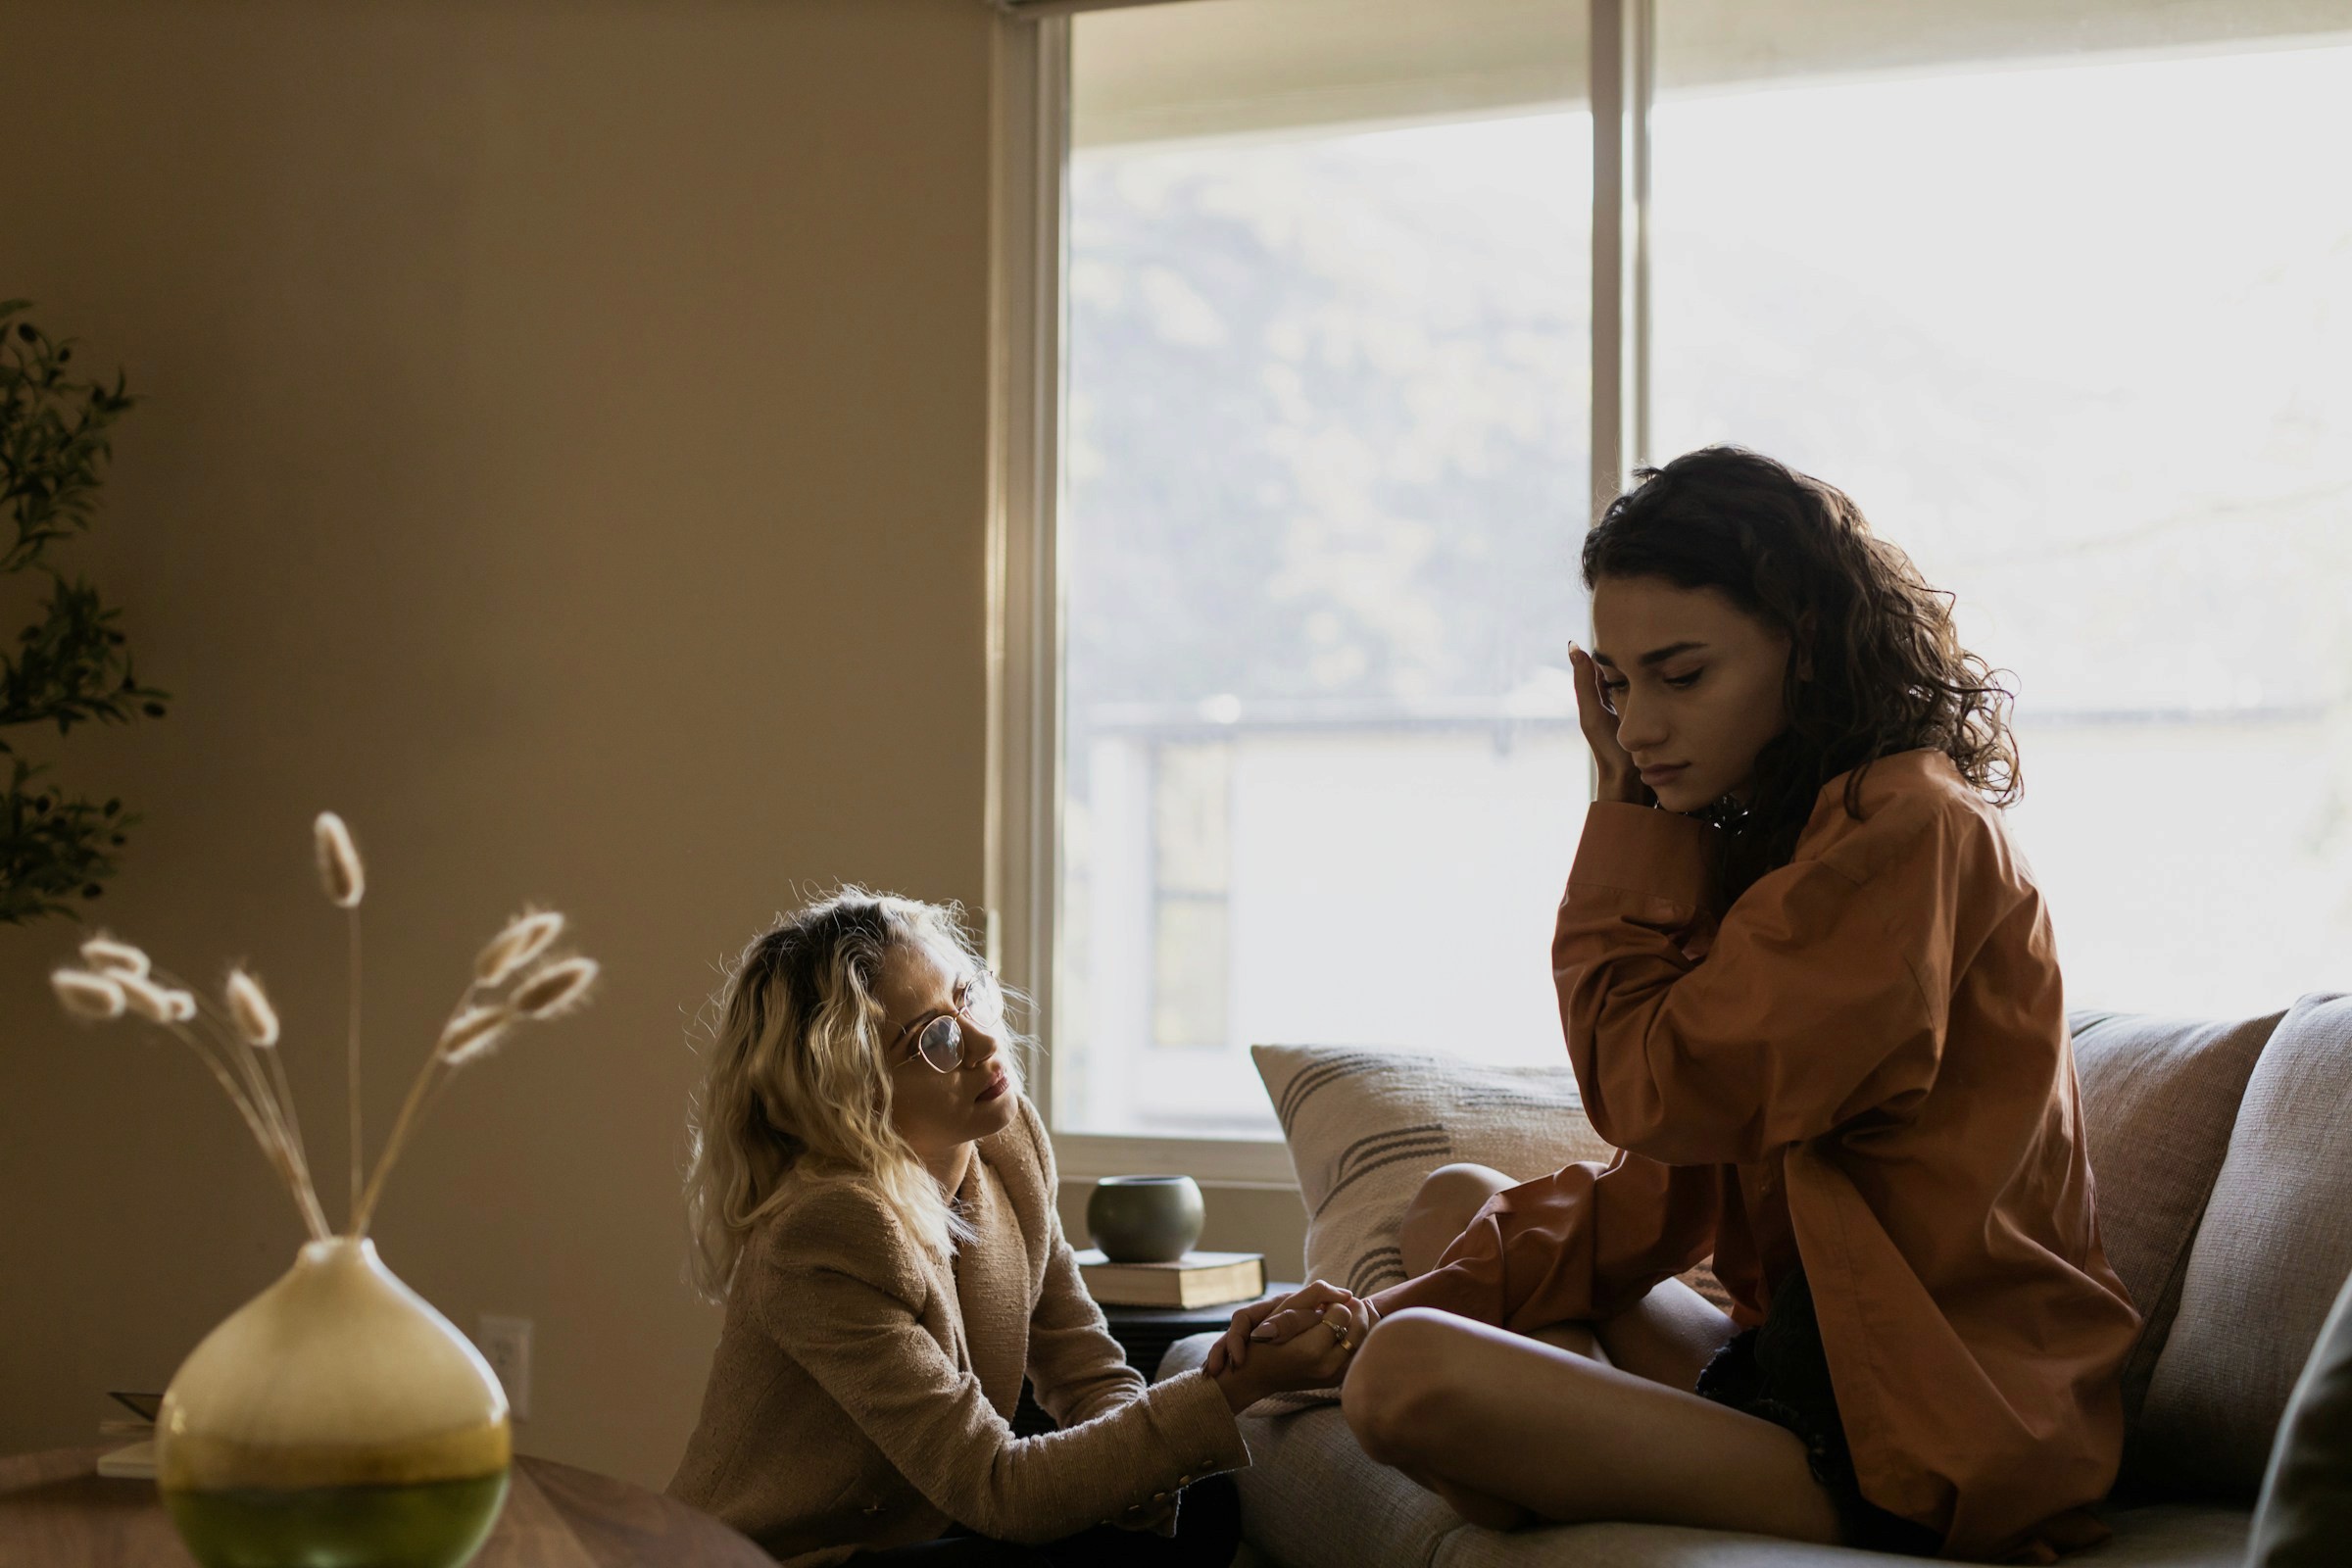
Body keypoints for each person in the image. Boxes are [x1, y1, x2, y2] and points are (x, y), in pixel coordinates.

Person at [1211, 447, 2140, 1562]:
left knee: (1404, 1377)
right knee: (1453, 1206)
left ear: (1806, 648)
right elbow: (1663, 1189)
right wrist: (1366, 1310)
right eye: (1616, 685)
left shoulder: (1907, 835)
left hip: (1925, 1434)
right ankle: (1563, 1452)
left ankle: (1555, 1457)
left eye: (1681, 676)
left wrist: (1620, 811)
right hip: (1796, 1377)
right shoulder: (1793, 836)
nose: (1638, 727)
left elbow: (1651, 1091)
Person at [668, 891, 1342, 1566]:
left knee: (1201, 1503)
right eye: (934, 1039)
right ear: (851, 1090)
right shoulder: (824, 1233)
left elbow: (1085, 1367)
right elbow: (1000, 1490)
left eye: (968, 997)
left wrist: (1143, 1487)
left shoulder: (1006, 1146)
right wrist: (1233, 1386)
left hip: (923, 1529)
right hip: (788, 1558)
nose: (987, 1042)